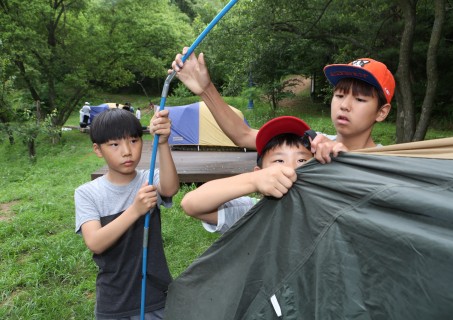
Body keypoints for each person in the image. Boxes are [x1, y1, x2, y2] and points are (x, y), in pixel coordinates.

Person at [170, 49, 395, 163]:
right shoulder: (312, 146)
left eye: (360, 99)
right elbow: (243, 134)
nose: (345, 106)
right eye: (339, 95)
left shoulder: (393, 163)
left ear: (382, 112)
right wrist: (206, 90)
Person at [74, 108, 179, 319]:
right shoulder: (87, 193)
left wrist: (164, 143)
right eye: (114, 144)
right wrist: (135, 210)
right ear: (97, 149)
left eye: (133, 140)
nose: (127, 151)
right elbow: (95, 242)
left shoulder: (148, 179)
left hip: (155, 295)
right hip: (114, 301)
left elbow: (169, 188)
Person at [181, 116, 313, 234]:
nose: (290, 169)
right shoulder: (249, 211)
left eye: (301, 160)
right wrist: (253, 181)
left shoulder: (323, 209)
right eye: (279, 161)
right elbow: (191, 204)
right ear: (259, 172)